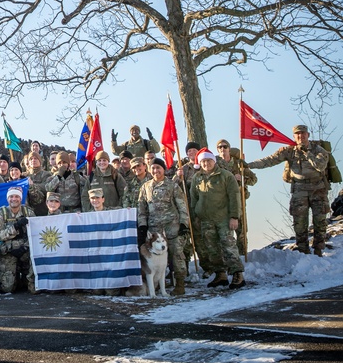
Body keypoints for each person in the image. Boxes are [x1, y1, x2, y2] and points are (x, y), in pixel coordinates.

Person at [246, 124, 331, 256]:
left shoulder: (318, 150)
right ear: (294, 137)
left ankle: (319, 248)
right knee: (299, 221)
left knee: (319, 220)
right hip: (299, 189)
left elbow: (320, 166)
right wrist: (249, 165)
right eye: (297, 134)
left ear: (307, 135)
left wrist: (307, 152)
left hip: (317, 189)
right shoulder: (290, 151)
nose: (300, 136)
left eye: (303, 134)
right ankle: (302, 248)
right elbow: (270, 160)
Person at [190, 150, 245, 288]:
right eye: (203, 161)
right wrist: (196, 215)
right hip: (206, 220)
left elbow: (234, 197)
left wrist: (234, 217)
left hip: (223, 219)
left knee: (228, 246)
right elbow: (194, 198)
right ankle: (220, 274)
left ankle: (238, 274)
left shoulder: (226, 176)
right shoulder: (197, 178)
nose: (206, 164)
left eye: (208, 161)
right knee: (212, 249)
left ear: (214, 161)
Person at [137, 157, 191, 295]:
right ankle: (158, 284)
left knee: (176, 254)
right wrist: (142, 227)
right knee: (155, 258)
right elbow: (142, 209)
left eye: (158, 168)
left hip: (172, 227)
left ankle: (179, 283)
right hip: (154, 230)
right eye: (153, 168)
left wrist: (184, 224)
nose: (156, 171)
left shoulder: (172, 185)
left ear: (164, 170)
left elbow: (182, 205)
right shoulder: (145, 187)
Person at [0, 187, 34, 293]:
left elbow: (35, 233)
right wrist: (15, 227)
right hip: (8, 251)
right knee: (7, 289)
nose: (14, 199)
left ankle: (23, 277)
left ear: (20, 199)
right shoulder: (1, 213)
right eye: (11, 196)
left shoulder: (28, 212)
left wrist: (25, 247)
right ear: (7, 199)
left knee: (33, 289)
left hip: (25, 250)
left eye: (16, 196)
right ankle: (16, 279)